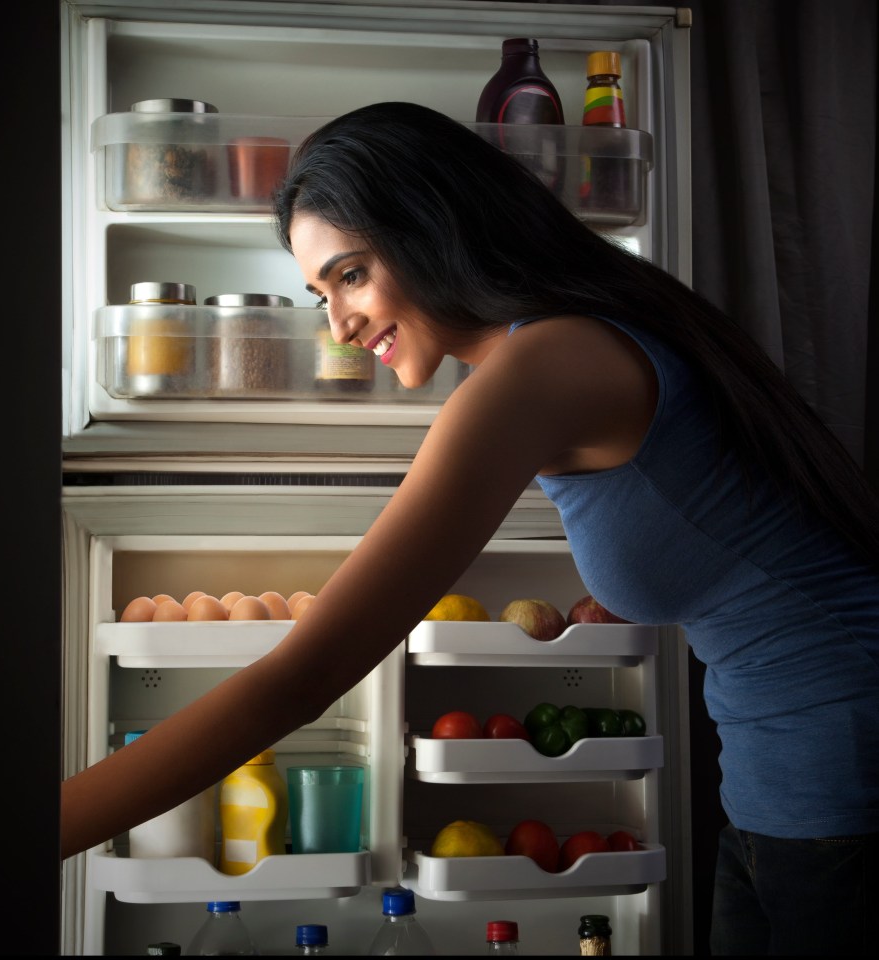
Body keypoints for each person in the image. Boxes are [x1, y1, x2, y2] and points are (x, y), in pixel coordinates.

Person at [61, 102, 878, 955]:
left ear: (430, 230)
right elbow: (732, 538)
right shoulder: (569, 340)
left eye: (349, 275)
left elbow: (307, 675)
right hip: (778, 776)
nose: (335, 324)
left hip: (840, 769)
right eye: (318, 294)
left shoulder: (537, 368)